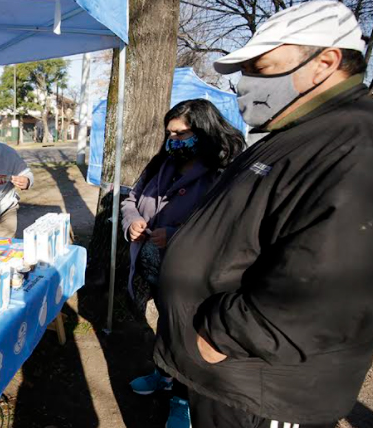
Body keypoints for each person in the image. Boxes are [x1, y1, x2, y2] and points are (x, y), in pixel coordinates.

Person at [153, 2, 373, 428]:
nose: (244, 83)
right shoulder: (298, 133)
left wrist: (222, 335)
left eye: (263, 66)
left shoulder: (353, 144)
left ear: (324, 63)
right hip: (232, 378)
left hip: (262, 387)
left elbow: (328, 290)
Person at [121, 99, 245, 428]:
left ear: (204, 130)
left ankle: (183, 399)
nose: (174, 139)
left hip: (194, 276)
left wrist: (175, 235)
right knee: (166, 325)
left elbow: (226, 226)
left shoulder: (224, 173)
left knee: (189, 337)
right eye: (170, 133)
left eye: (182, 133)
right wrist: (131, 221)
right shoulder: (162, 164)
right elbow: (131, 199)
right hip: (154, 268)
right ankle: (163, 373)